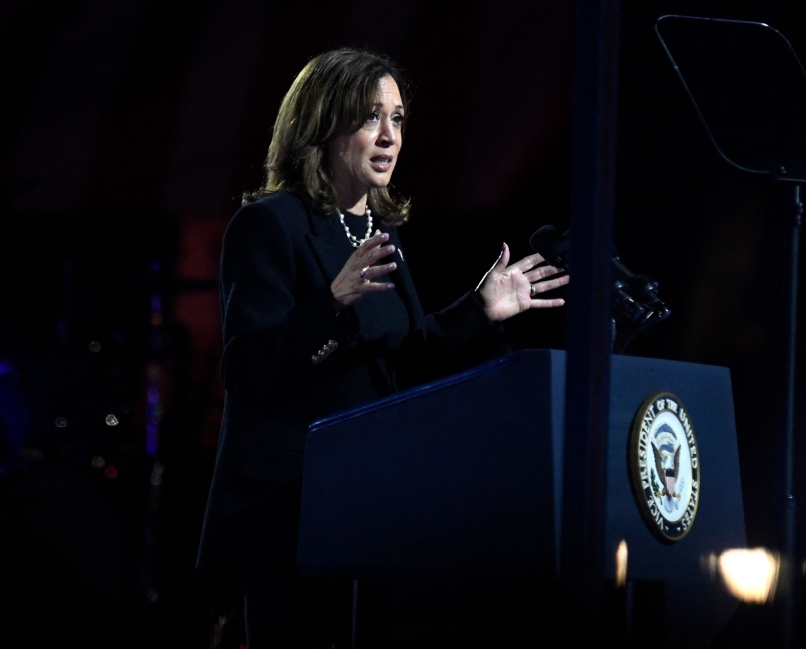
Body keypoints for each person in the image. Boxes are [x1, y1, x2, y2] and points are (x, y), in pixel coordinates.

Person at [197, 47, 568, 647]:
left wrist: (481, 310)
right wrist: (330, 304)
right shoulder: (270, 225)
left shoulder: (380, 233)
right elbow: (248, 374)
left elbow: (406, 366)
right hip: (288, 510)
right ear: (323, 125)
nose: (390, 136)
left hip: (369, 506)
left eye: (397, 118)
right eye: (371, 117)